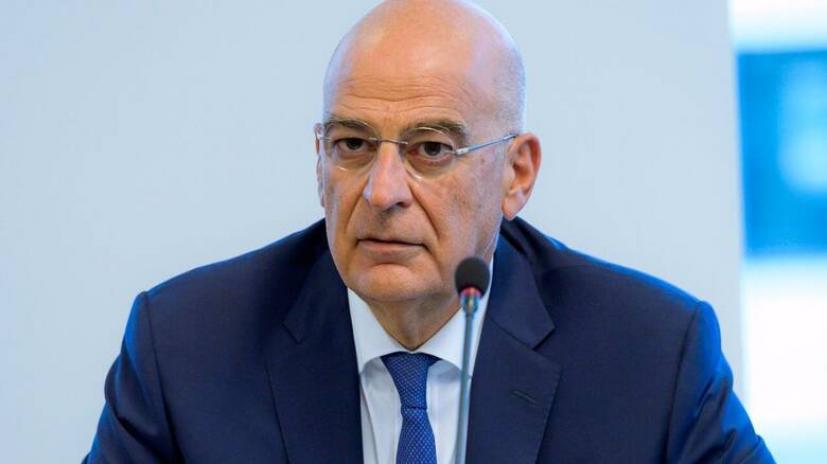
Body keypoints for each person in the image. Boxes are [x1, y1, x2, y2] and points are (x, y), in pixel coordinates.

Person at [85, 0, 774, 462]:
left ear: (516, 174)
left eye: (431, 149)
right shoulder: (186, 348)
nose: (382, 191)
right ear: (319, 160)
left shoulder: (651, 355)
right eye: (353, 145)